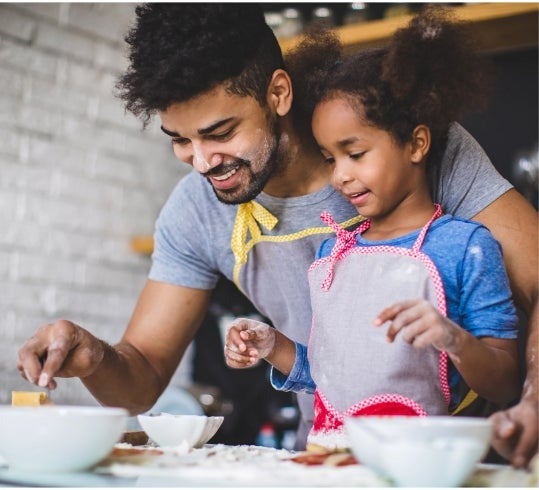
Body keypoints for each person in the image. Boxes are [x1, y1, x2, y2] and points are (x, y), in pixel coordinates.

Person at [16, 4, 537, 466]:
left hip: (467, 456)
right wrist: (94, 356)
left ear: (278, 93)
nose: (201, 162)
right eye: (180, 140)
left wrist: (533, 398)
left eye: (220, 133)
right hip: (329, 453)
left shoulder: (398, 147)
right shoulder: (194, 212)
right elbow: (143, 375)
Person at [224, 7, 521, 450]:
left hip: (416, 465)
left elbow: (504, 382)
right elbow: (325, 375)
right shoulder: (333, 253)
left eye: (355, 153)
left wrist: (452, 339)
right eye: (330, 158)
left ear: (417, 143)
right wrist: (271, 344)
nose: (340, 175)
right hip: (328, 458)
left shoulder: (464, 246)